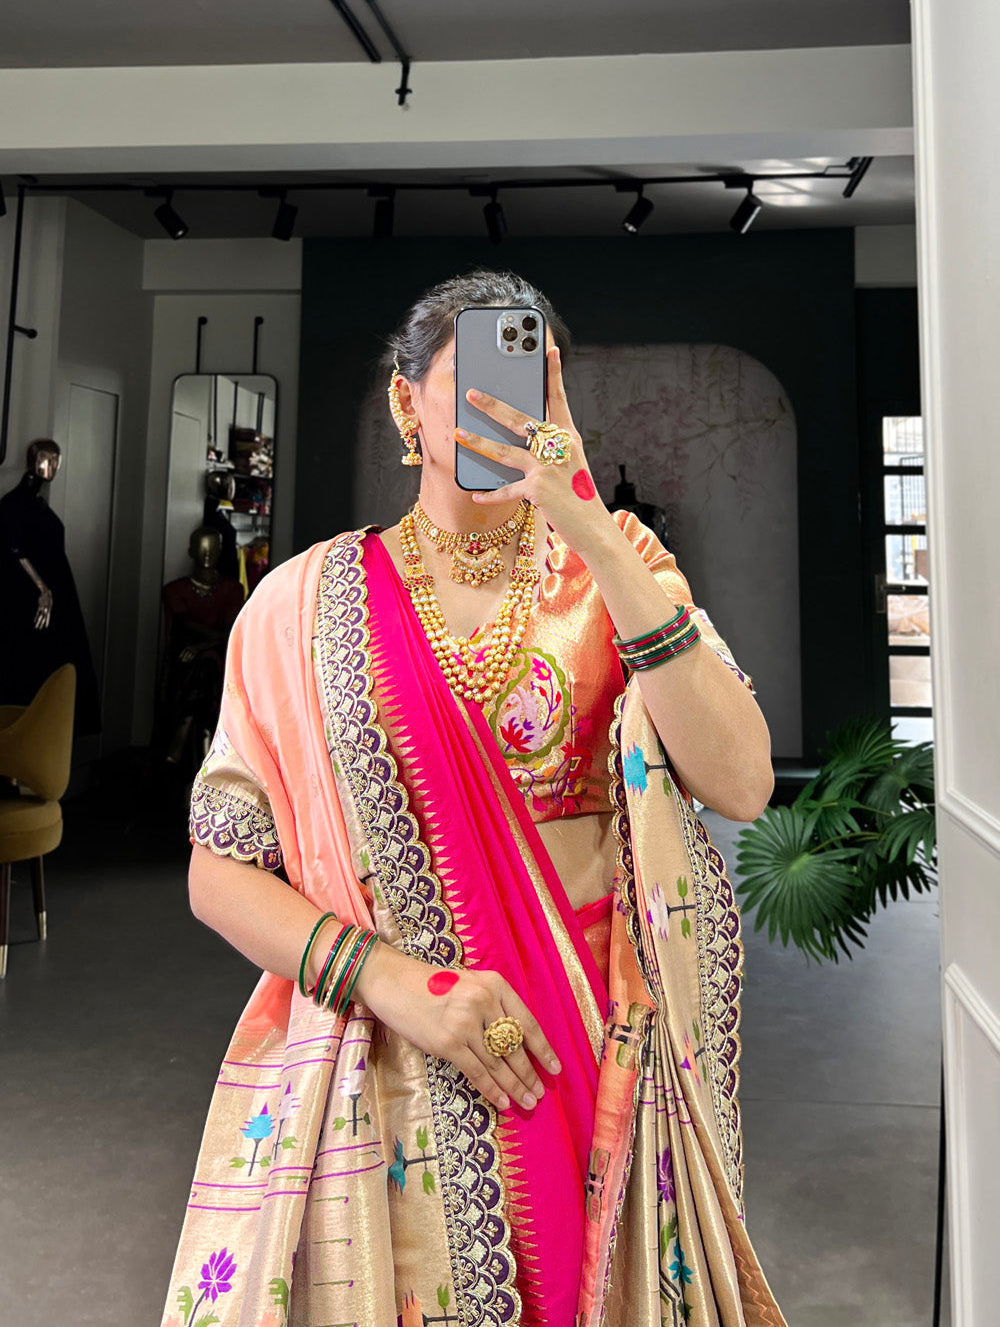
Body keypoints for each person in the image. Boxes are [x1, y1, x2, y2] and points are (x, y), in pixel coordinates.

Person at [161, 270, 787, 1326]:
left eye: (533, 381)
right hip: (385, 1083)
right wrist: (395, 981)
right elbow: (217, 873)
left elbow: (741, 780)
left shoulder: (618, 571)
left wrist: (591, 526)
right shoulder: (300, 605)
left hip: (594, 1070)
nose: (508, 407)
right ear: (407, 401)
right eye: (476, 379)